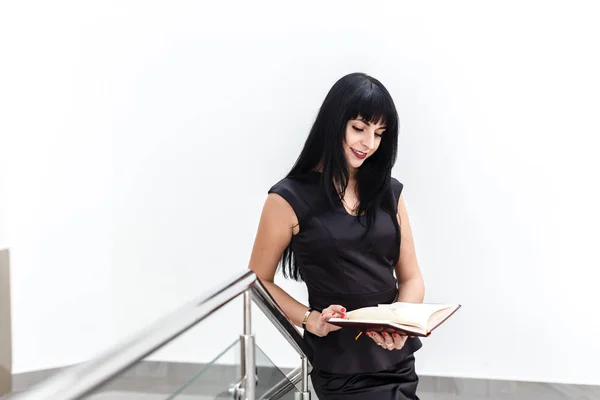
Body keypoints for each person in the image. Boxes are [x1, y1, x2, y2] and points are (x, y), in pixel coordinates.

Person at [248, 72, 425, 400]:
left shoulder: (389, 192)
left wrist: (400, 321)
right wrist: (309, 319)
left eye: (379, 134)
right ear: (335, 124)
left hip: (396, 360)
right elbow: (259, 280)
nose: (369, 144)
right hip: (341, 366)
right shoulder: (287, 199)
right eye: (359, 128)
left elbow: (412, 278)